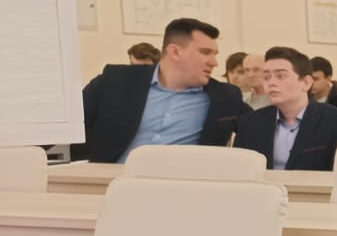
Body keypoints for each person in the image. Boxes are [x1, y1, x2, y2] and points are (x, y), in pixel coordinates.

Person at [76, 18, 248, 163]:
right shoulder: (115, 81)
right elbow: (71, 123)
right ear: (174, 52)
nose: (214, 62)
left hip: (182, 187)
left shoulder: (225, 97)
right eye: (205, 52)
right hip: (111, 182)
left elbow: (258, 127)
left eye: (215, 54)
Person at [234, 45, 337, 171]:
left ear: (306, 82)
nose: (271, 83)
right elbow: (238, 171)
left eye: (280, 76)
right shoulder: (249, 123)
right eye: (266, 77)